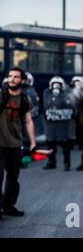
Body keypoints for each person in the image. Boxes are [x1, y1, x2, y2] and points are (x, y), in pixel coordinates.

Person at [0, 67, 36, 218]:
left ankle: (8, 206)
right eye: (10, 76)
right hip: (0, 142)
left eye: (16, 77)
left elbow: (28, 121)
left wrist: (33, 141)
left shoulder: (25, 99)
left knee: (13, 178)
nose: (12, 79)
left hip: (15, 143)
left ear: (22, 80)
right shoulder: (1, 95)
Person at [42, 76, 76, 171]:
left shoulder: (67, 94)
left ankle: (67, 163)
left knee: (65, 145)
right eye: (54, 84)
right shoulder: (46, 93)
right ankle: (51, 162)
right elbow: (45, 106)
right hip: (51, 124)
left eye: (58, 84)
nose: (56, 86)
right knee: (51, 144)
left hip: (63, 124)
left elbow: (71, 107)